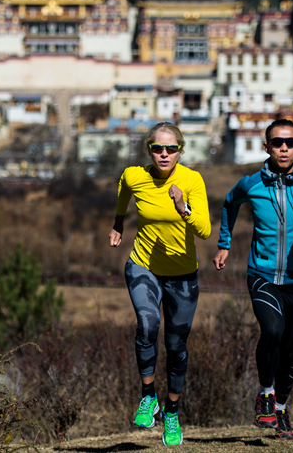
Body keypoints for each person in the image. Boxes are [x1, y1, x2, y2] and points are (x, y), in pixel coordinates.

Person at [213, 118, 293, 440]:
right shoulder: (251, 183)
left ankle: (281, 408)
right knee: (272, 330)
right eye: (277, 143)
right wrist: (224, 243)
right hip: (263, 274)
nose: (284, 148)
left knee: (291, 349)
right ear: (266, 146)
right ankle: (265, 393)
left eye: (290, 143)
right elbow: (229, 204)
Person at [109, 122, 211, 446]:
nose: (164, 154)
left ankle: (171, 412)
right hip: (143, 265)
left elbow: (206, 230)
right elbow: (123, 193)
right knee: (147, 325)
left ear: (181, 150)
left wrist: (184, 208)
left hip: (182, 276)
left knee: (177, 347)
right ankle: (148, 396)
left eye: (171, 148)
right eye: (157, 148)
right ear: (148, 150)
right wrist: (118, 224)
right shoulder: (133, 175)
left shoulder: (192, 180)